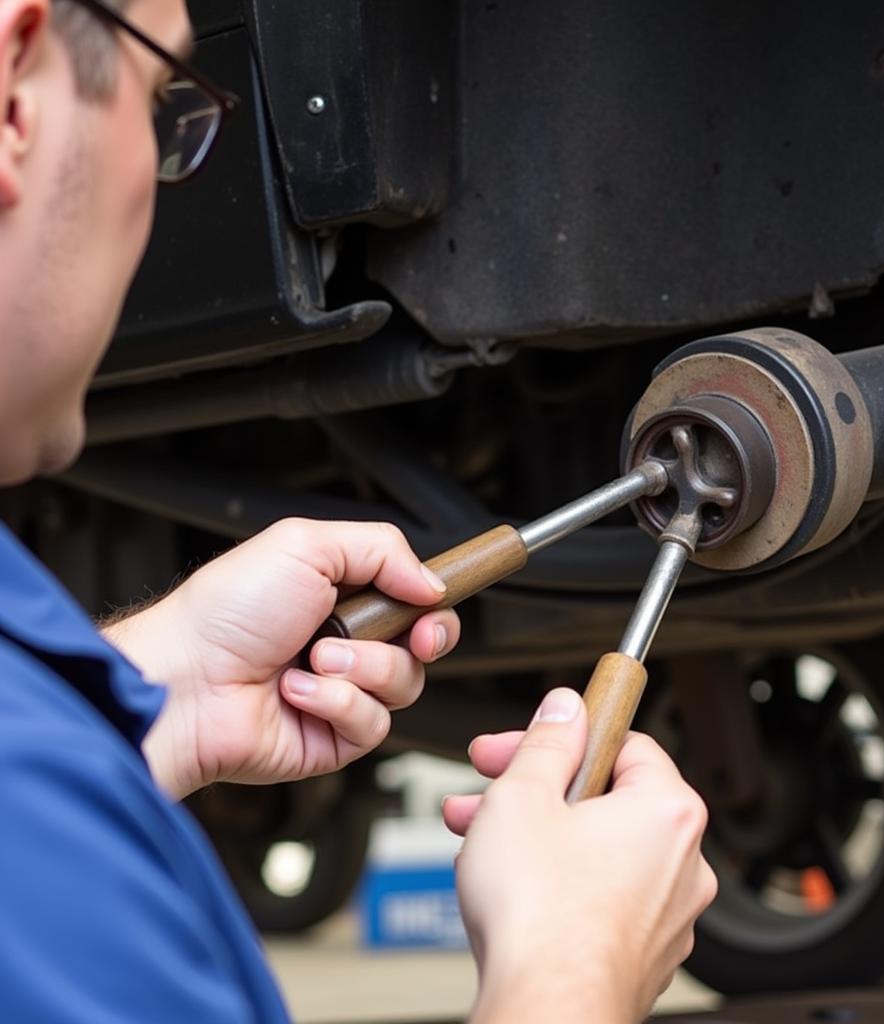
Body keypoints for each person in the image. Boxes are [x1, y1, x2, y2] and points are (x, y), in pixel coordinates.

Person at [0, 0, 717, 1020]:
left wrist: (159, 692)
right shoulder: (31, 834)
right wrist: (571, 967)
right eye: (161, 110)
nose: (159, 182)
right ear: (16, 101)